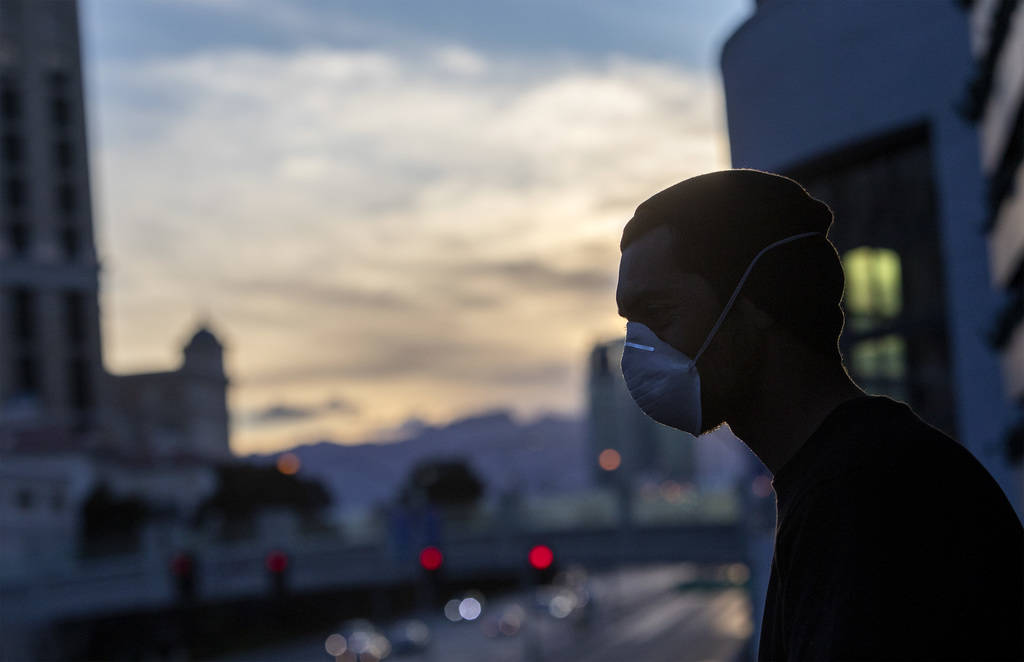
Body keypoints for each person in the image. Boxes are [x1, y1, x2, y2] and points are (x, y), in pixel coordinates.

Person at [615, 169, 1024, 660]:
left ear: (756, 301)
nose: (639, 351)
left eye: (658, 315)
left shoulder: (869, 495)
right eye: (632, 327)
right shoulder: (843, 478)